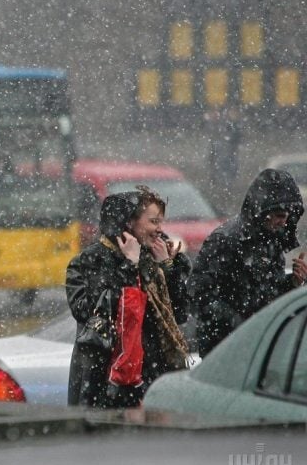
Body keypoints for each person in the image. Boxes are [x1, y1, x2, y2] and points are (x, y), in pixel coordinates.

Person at [66, 186, 191, 408]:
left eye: (161, 222)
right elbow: (88, 312)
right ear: (129, 224)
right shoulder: (89, 261)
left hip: (150, 375)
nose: (159, 230)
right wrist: (128, 267)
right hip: (105, 379)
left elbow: (179, 314)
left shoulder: (151, 260)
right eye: (153, 222)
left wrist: (168, 267)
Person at [190, 168, 307, 357]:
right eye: (279, 215)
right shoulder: (226, 240)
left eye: (286, 216)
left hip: (257, 345)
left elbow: (267, 290)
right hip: (224, 348)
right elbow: (199, 293)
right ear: (263, 211)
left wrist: (291, 282)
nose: (283, 222)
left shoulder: (270, 240)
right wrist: (239, 323)